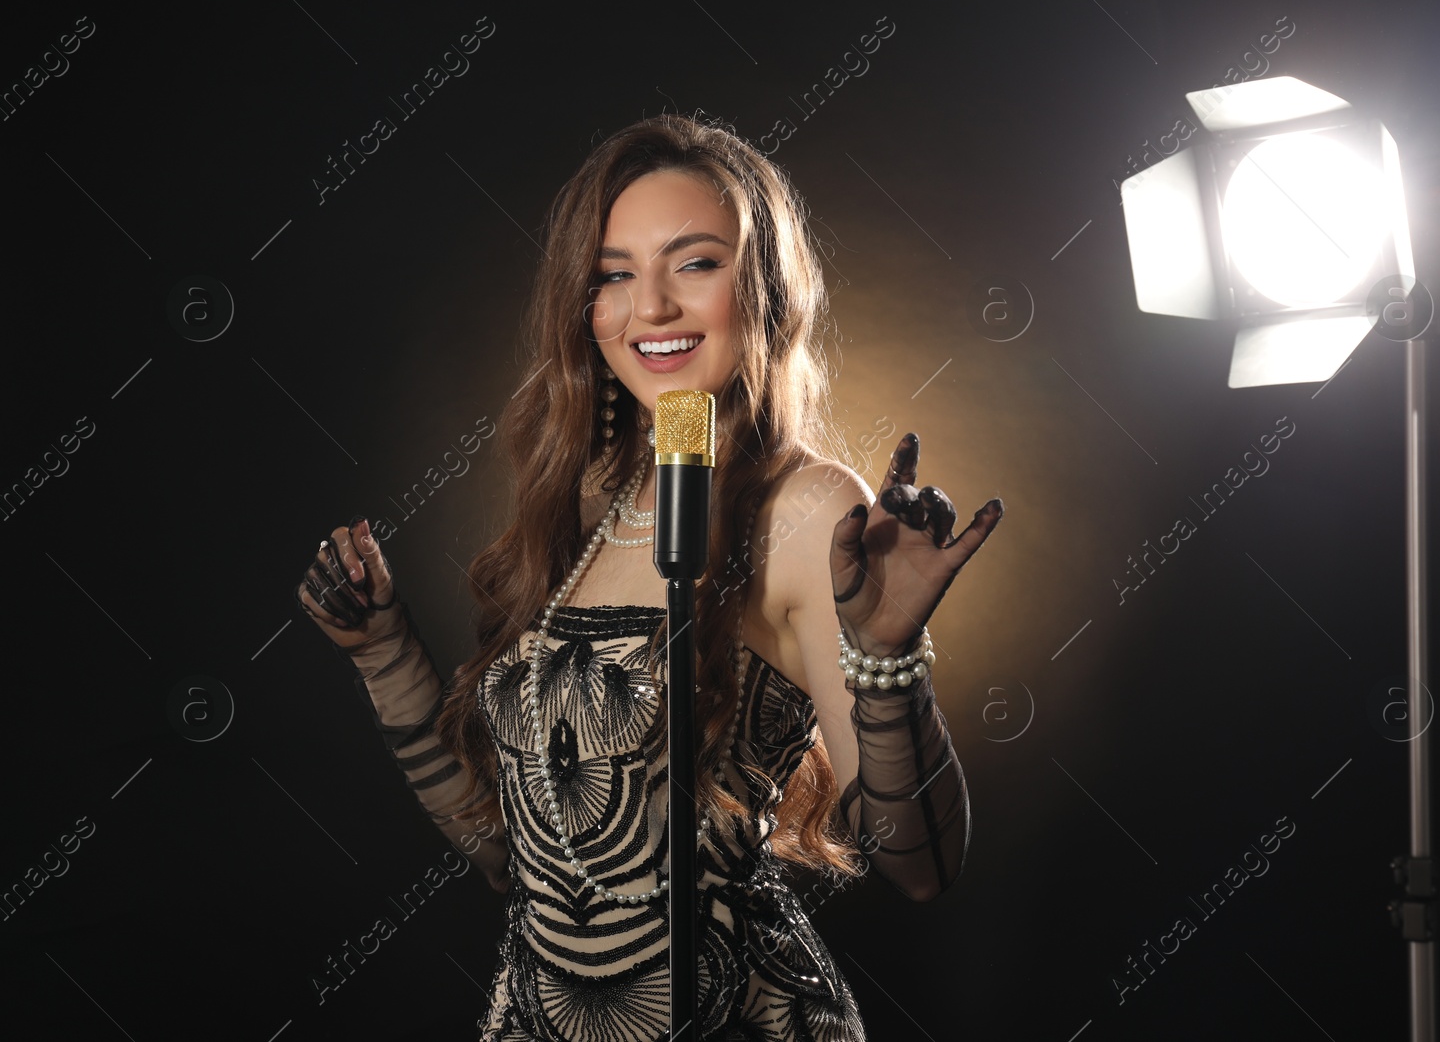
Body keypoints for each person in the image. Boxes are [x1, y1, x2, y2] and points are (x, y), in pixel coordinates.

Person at [295, 113, 1004, 1041]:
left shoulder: (804, 508)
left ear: (763, 289)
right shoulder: (592, 496)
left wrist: (886, 657)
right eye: (613, 275)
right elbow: (519, 854)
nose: (651, 308)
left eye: (695, 263)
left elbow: (920, 866)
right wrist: (382, 651)